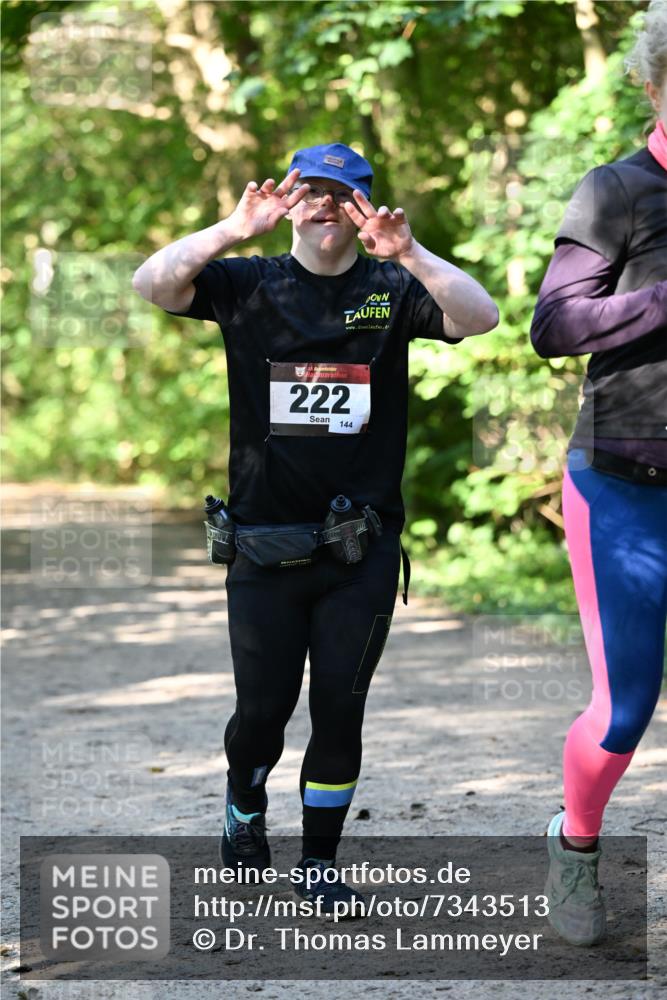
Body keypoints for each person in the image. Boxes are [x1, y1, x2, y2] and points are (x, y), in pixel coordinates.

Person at [133, 141, 498, 915]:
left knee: (338, 707)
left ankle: (320, 861)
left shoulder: (391, 288)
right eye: (310, 191)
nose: (324, 204)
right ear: (288, 202)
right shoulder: (246, 283)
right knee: (262, 712)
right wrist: (231, 230)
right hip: (264, 548)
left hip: (356, 550)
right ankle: (242, 803)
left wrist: (410, 250)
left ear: (361, 203)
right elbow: (154, 286)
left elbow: (481, 316)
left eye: (342, 192)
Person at [530, 0, 667, 947]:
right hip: (623, 483)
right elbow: (553, 324)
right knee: (623, 711)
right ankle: (574, 845)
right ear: (655, 81)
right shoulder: (614, 191)